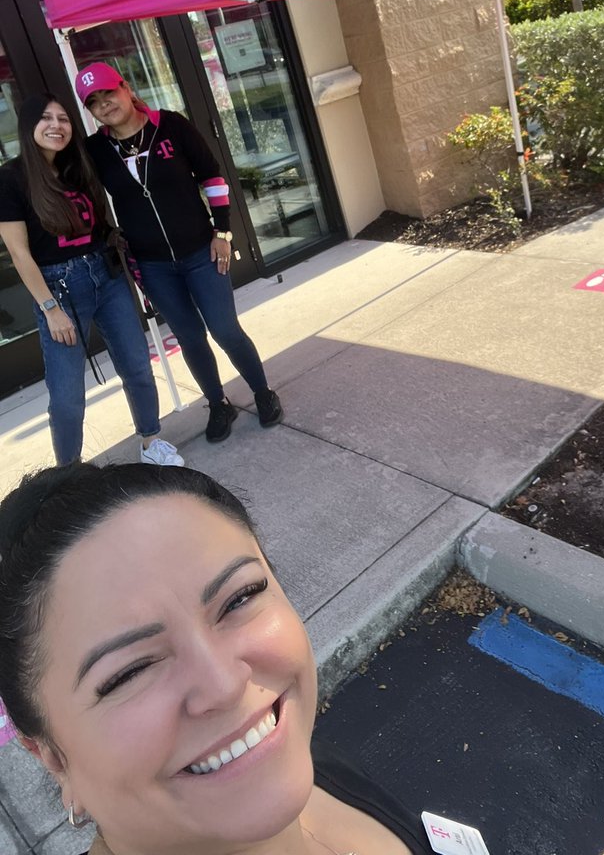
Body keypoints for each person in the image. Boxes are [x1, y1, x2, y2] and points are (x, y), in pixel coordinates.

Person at [0, 462, 432, 855]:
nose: (225, 685)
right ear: (51, 755)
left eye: (240, 597)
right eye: (130, 672)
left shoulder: (309, 761)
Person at [74, 63, 282, 443]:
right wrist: (108, 232)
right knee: (189, 336)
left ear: (126, 88)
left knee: (225, 329)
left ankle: (263, 392)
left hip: (203, 251)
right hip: (153, 265)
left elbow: (213, 178)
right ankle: (218, 404)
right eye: (94, 102)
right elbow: (81, 196)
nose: (104, 105)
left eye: (109, 93)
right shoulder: (95, 150)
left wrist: (223, 232)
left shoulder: (171, 126)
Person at [0, 95, 181, 469]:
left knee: (137, 367)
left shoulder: (78, 167)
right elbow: (20, 253)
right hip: (59, 291)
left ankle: (150, 442)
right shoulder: (11, 178)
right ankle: (69, 473)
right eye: (46, 118)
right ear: (29, 126)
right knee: (66, 397)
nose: (56, 125)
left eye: (64, 119)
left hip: (105, 276)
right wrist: (50, 309)